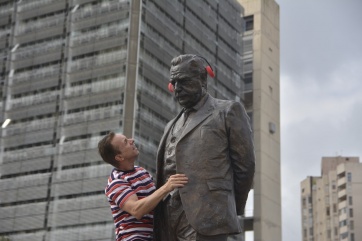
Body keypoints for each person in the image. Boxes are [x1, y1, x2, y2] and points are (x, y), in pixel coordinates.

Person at [154, 54, 255, 241]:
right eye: (173, 83)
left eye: (183, 81)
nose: (177, 88)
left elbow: (245, 166)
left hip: (209, 215)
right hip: (168, 218)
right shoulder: (170, 125)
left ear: (202, 79)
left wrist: (230, 206)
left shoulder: (227, 111)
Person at [98, 132, 188, 241]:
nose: (132, 140)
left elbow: (157, 201)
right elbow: (137, 210)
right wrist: (166, 187)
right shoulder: (116, 182)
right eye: (126, 142)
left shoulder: (142, 172)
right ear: (119, 157)